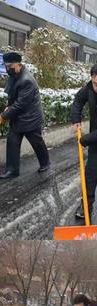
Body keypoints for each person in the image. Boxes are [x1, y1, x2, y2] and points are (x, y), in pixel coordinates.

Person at [0, 52, 50, 179]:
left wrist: (4, 115)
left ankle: (45, 162)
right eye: (6, 66)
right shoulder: (14, 75)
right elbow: (12, 96)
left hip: (31, 118)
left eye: (9, 66)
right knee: (12, 142)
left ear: (18, 65)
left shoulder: (27, 80)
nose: (7, 69)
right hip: (18, 117)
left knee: (36, 142)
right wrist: (7, 107)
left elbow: (21, 104)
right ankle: (12, 170)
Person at [71, 64, 97, 219]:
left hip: (93, 138)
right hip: (95, 142)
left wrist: (84, 140)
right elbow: (78, 101)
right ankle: (86, 206)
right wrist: (76, 119)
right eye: (95, 83)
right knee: (91, 175)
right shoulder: (88, 89)